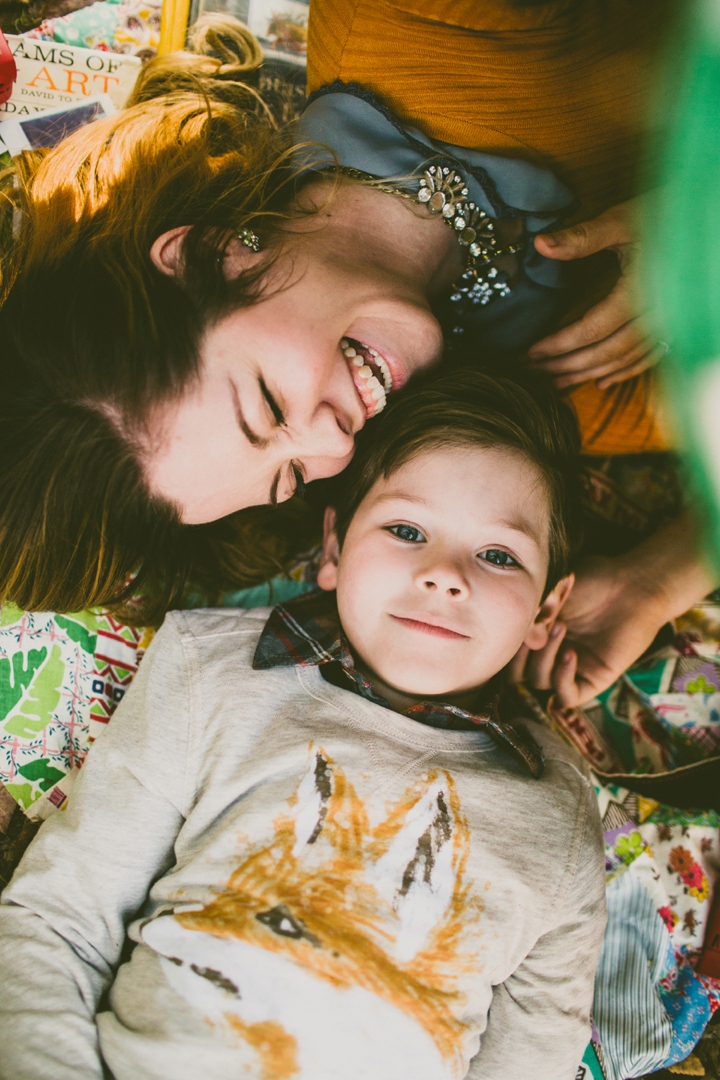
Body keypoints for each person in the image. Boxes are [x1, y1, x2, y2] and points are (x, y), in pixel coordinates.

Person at [0, 8, 711, 704]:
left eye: (270, 405)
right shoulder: (538, 399)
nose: (334, 443)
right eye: (291, 476)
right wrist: (662, 577)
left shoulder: (422, 18)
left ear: (208, 255)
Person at [0, 369, 605, 1080]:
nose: (446, 575)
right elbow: (56, 922)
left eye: (499, 555)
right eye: (407, 530)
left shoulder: (559, 813)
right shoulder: (209, 670)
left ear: (546, 610)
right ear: (335, 549)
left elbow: (535, 1055)